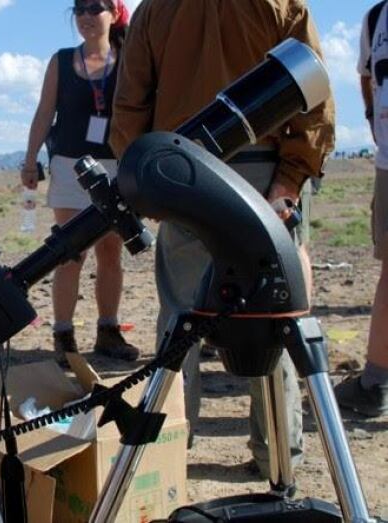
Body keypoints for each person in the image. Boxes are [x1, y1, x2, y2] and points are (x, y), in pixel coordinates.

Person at [108, 0, 335, 479]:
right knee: (274, 312)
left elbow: (130, 103)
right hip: (264, 173)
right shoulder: (282, 4)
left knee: (181, 320)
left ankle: (166, 450)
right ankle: (277, 458)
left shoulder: (156, 10)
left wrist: (147, 181)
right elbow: (315, 94)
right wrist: (289, 181)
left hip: (184, 169)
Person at [21, 0, 139, 365]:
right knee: (70, 252)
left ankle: (108, 330)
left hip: (116, 164)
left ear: (114, 13)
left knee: (111, 252)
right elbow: (45, 111)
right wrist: (30, 158)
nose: (87, 16)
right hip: (71, 166)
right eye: (80, 8)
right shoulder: (61, 61)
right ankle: (63, 335)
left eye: (96, 7)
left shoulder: (130, 58)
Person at [334, 0, 388, 418]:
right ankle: (374, 382)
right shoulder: (375, 18)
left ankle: (374, 382)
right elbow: (367, 75)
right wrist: (371, 115)